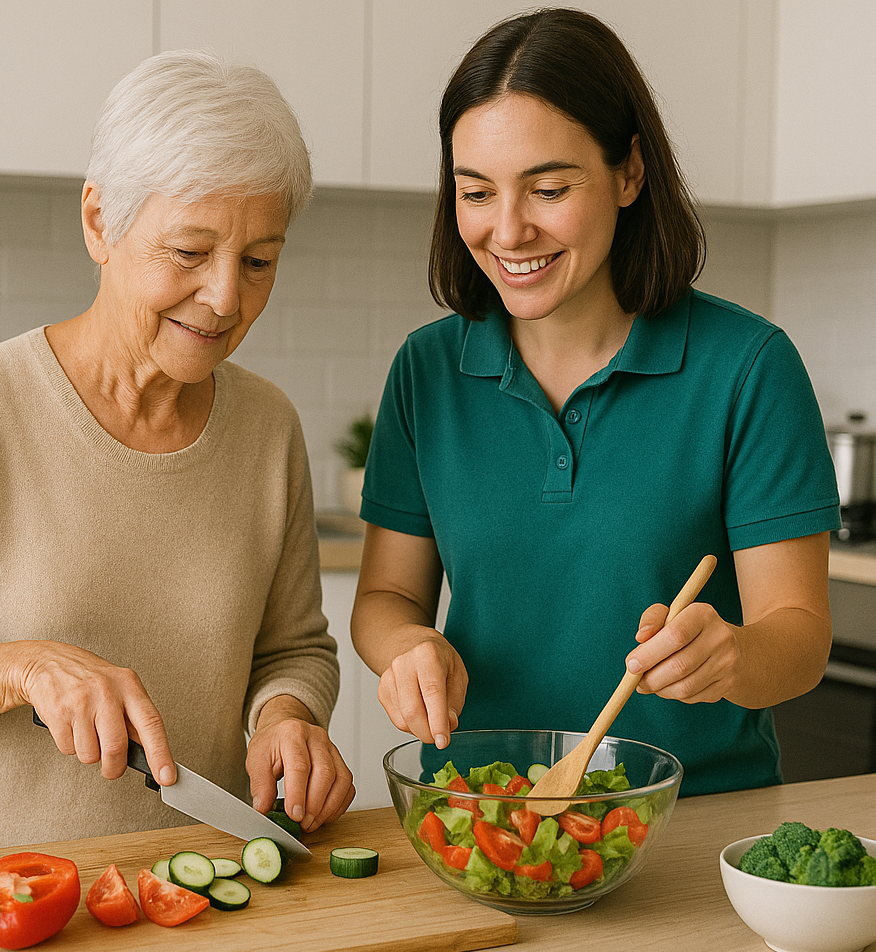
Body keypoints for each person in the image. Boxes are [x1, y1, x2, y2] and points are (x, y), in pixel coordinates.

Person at [0, 50, 354, 858]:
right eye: (189, 252)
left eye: (259, 261)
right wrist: (24, 668)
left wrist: (288, 716)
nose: (227, 297)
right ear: (99, 222)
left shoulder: (267, 428)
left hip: (191, 882)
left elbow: (291, 648)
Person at [350, 8, 840, 796]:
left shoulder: (747, 367)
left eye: (548, 188)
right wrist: (408, 644)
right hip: (484, 814)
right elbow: (384, 596)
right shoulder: (427, 369)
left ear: (629, 172)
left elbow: (801, 637)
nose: (507, 231)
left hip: (695, 826)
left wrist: (732, 657)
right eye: (475, 192)